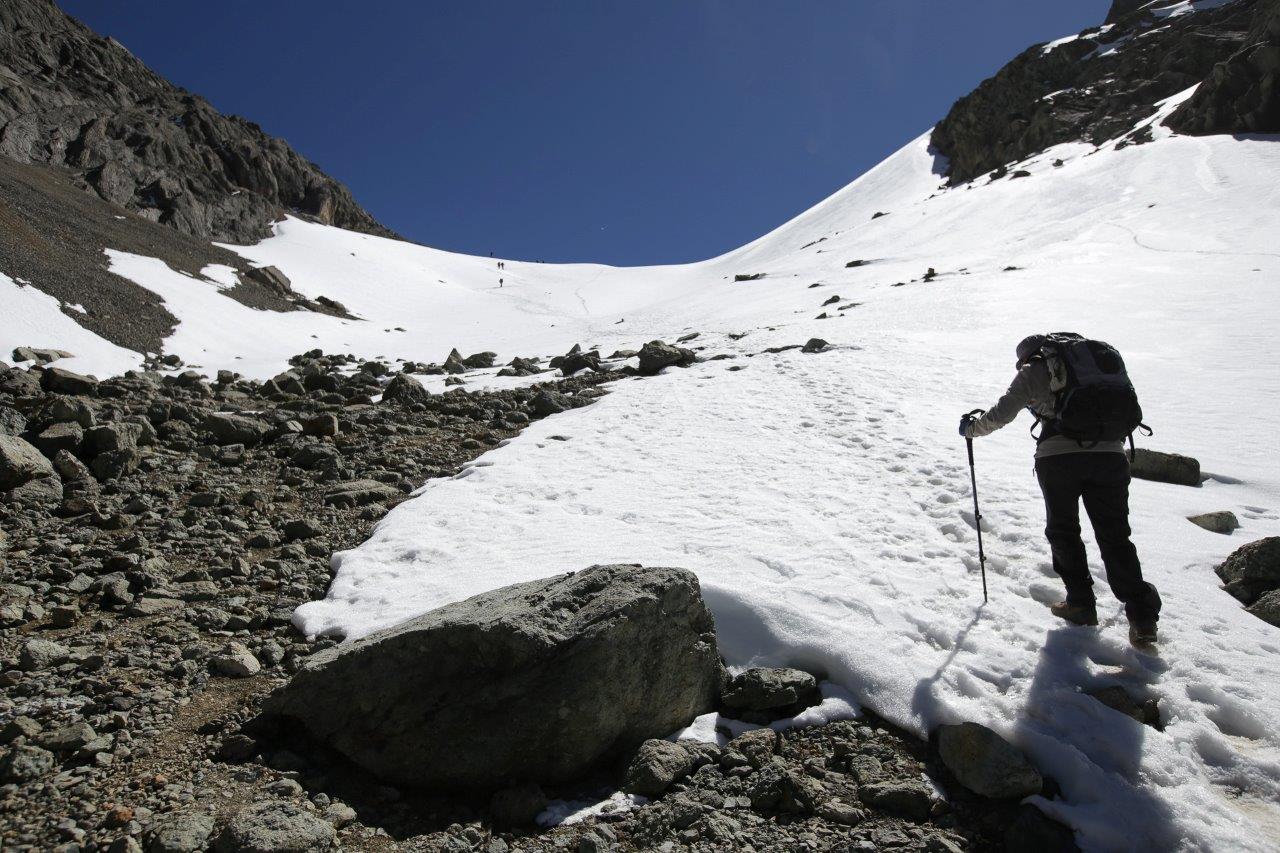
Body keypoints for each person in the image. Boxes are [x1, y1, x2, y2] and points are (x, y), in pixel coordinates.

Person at [960, 334, 1161, 646]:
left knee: (1063, 530)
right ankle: (1142, 615)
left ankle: (1080, 603)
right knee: (1115, 535)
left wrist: (971, 428)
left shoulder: (1037, 368)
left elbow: (1003, 411)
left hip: (1060, 459)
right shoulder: (1097, 363)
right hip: (1111, 456)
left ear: (1027, 356)